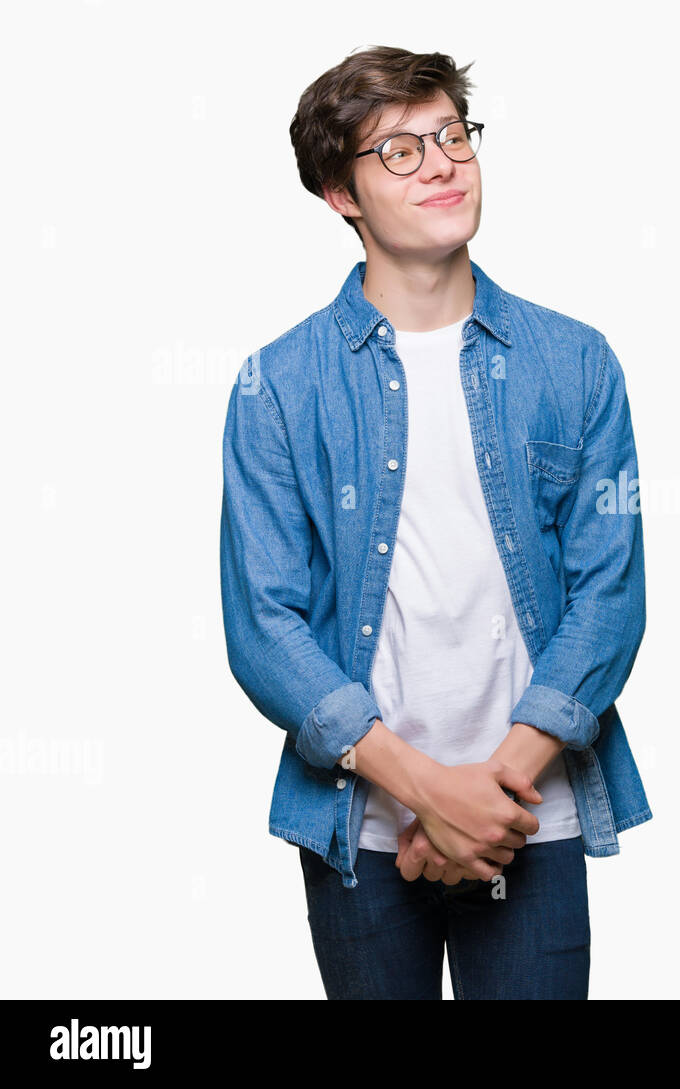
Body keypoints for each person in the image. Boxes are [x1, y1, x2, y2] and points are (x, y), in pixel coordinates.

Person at [219, 46, 651, 999]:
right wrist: (427, 791)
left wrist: (489, 797)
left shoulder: (577, 362)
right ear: (341, 193)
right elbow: (263, 623)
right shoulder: (276, 386)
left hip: (531, 815)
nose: (443, 162)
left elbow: (610, 596)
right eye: (400, 151)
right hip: (361, 829)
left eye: (452, 133)